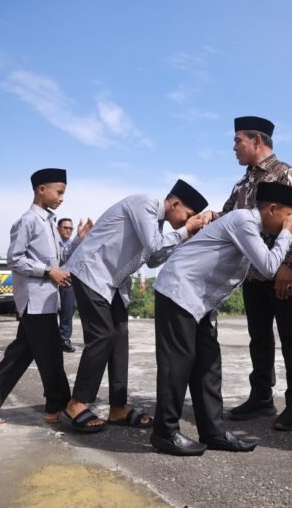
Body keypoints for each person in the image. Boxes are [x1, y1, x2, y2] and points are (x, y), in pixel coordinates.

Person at [152, 182, 292, 456]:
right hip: (179, 290)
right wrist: (288, 233)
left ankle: (213, 431)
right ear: (272, 208)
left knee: (209, 363)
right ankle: (165, 432)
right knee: (178, 363)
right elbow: (269, 267)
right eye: (289, 215)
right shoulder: (243, 219)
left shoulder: (249, 228)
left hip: (200, 301)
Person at [61, 180, 208, 433]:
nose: (187, 221)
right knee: (103, 336)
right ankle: (76, 403)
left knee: (119, 339)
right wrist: (184, 232)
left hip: (113, 283)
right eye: (188, 215)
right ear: (174, 203)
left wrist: (183, 239)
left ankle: (118, 408)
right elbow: (153, 246)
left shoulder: (158, 221)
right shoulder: (146, 203)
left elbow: (153, 260)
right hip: (91, 273)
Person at [0, 168, 91, 425]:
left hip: (45, 300)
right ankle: (56, 406)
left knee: (24, 353)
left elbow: (60, 258)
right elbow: (15, 260)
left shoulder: (48, 222)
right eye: (59, 192)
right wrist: (48, 272)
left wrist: (78, 240)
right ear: (41, 189)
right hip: (34, 300)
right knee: (49, 356)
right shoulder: (28, 221)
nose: (61, 197)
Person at [218, 116, 292, 432]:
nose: (234, 147)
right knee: (259, 338)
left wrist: (288, 265)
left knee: (291, 337)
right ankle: (261, 397)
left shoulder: (287, 175)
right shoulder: (242, 184)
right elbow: (226, 219)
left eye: (237, 140)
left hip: (282, 272)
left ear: (257, 140)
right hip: (252, 273)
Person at [56, 218, 77, 353]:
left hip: (68, 282)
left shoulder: (72, 244)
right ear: (58, 228)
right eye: (65, 227)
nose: (68, 230)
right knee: (51, 311)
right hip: (51, 280)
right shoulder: (52, 243)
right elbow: (62, 257)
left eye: (70, 228)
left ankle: (64, 339)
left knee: (68, 310)